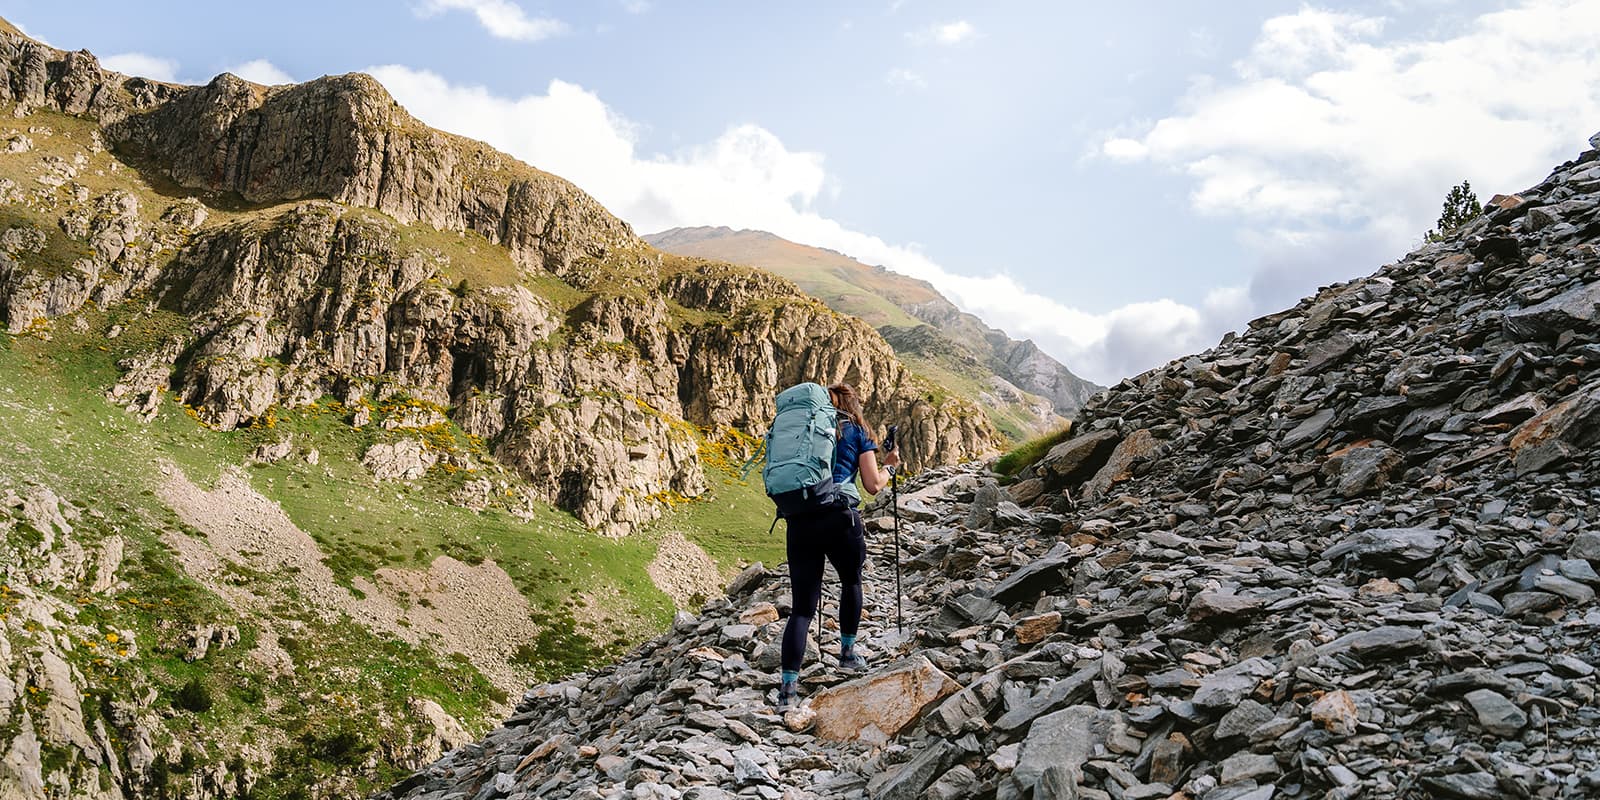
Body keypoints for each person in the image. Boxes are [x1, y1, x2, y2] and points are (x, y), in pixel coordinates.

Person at [776, 382, 900, 712]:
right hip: (840, 517)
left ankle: (788, 690)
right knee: (851, 582)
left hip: (800, 521)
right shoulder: (857, 431)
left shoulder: (805, 428)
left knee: (802, 607)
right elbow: (873, 485)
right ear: (852, 404)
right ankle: (847, 654)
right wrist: (890, 465)